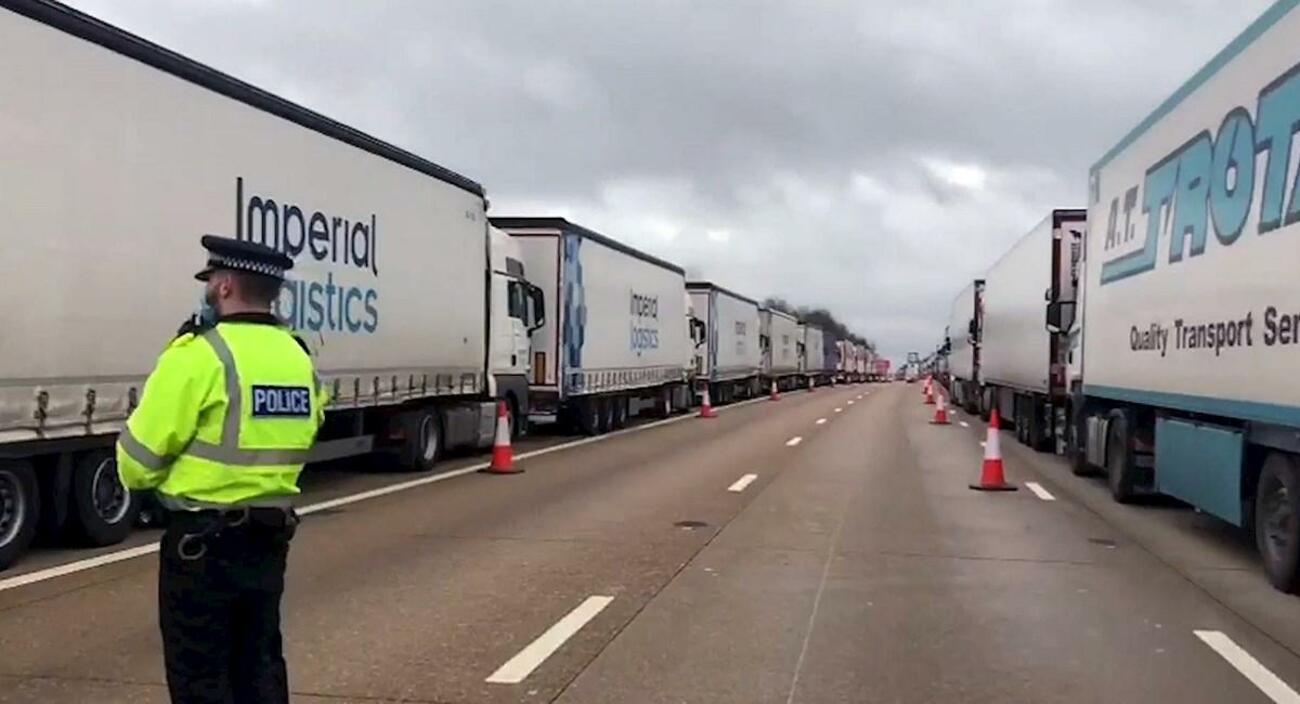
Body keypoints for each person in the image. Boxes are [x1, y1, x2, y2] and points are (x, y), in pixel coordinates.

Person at [116, 235, 325, 704]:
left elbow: (136, 463)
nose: (208, 289)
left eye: (210, 280)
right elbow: (310, 428)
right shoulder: (298, 357)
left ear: (225, 285)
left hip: (202, 545)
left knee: (201, 678)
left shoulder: (197, 355)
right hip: (269, 540)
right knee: (260, 667)